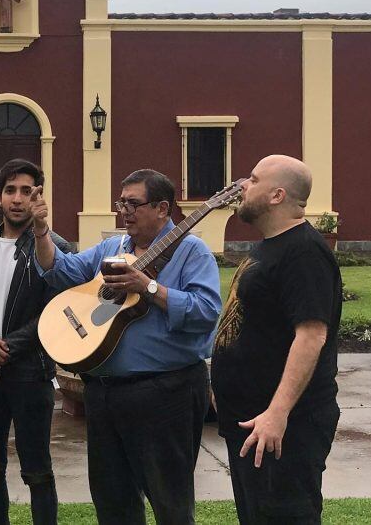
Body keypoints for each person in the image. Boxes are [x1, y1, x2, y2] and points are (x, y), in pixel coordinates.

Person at [32, 169, 222, 525]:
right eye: (122, 203)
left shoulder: (191, 251)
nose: (125, 211)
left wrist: (148, 287)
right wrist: (42, 229)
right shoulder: (113, 248)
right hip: (104, 394)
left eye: (133, 204)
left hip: (166, 393)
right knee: (112, 501)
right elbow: (58, 270)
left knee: (170, 502)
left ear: (163, 208)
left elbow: (206, 312)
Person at [211, 155, 342, 524]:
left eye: (253, 180)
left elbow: (312, 335)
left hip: (285, 428)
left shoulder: (304, 251)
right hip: (252, 423)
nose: (242, 185)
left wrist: (277, 412)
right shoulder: (272, 246)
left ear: (277, 195)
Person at [0, 159, 72, 525]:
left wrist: (0, 351)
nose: (18, 199)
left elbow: (53, 311)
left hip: (29, 376)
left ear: (39, 196)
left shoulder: (53, 248)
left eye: (27, 191)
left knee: (37, 470)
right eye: (10, 191)